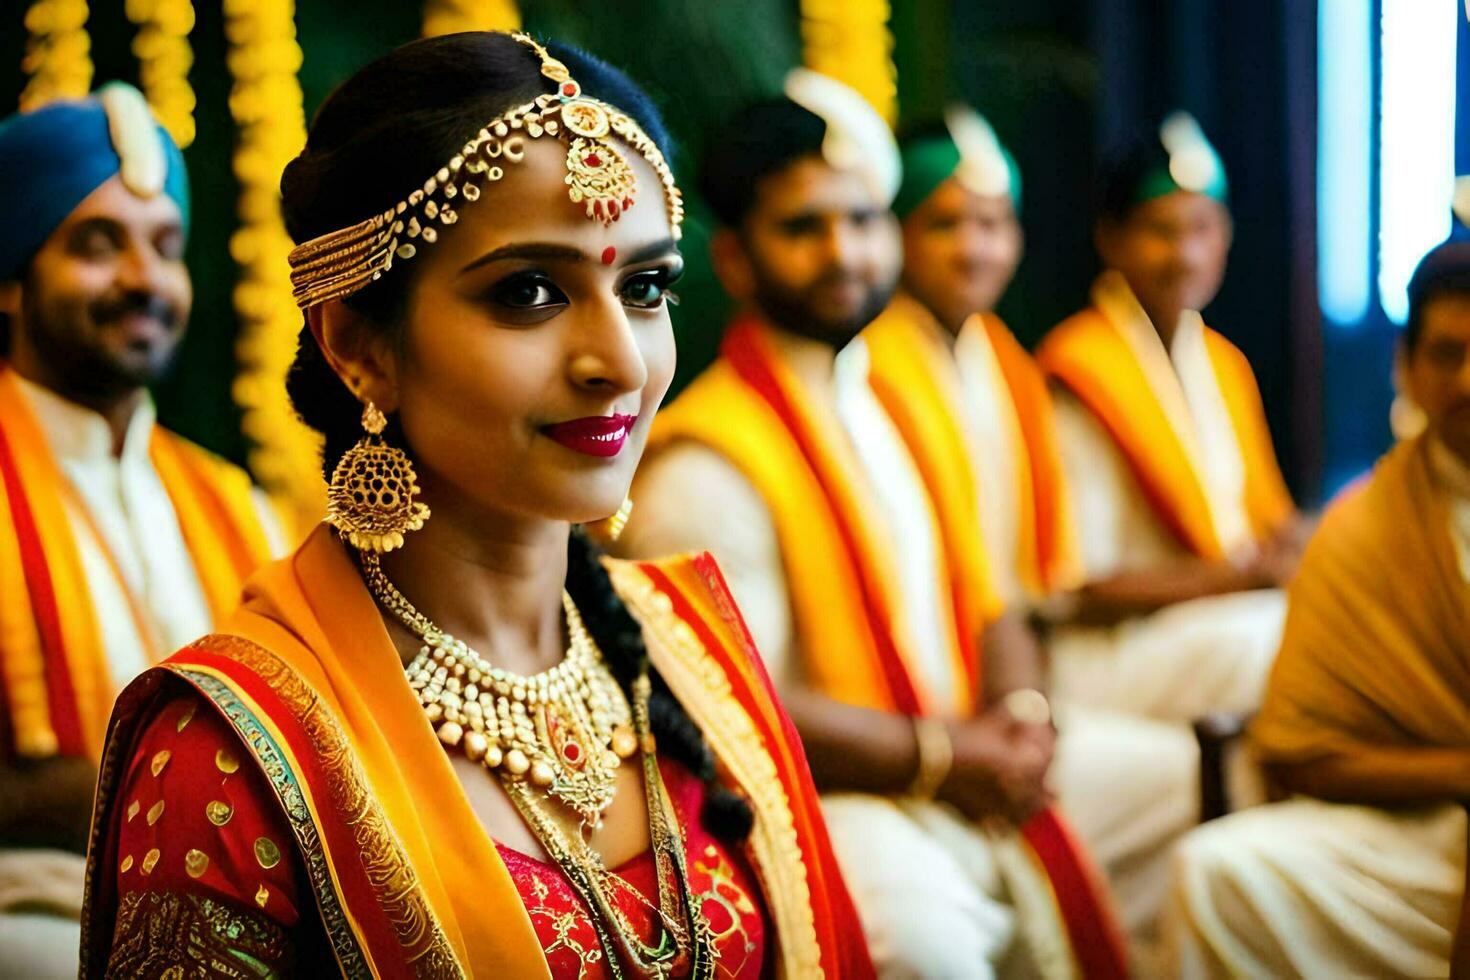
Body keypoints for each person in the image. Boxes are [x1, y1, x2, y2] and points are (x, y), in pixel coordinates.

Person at [79, 33, 872, 977]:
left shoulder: (692, 653)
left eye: (646, 287)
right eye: (531, 292)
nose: (618, 361)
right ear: (358, 347)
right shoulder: (227, 757)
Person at [622, 78, 1127, 977]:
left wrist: (1020, 715)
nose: (843, 252)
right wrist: (941, 757)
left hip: (959, 752)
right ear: (733, 260)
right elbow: (733, 709)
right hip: (834, 796)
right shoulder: (707, 463)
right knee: (926, 948)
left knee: (1178, 794)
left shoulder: (903, 404)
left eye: (862, 219)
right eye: (803, 227)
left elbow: (989, 596)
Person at [862, 107, 1200, 965]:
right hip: (924, 701)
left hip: (1014, 677)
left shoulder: (1003, 360)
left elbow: (1002, 585)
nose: (977, 249)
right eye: (947, 224)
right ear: (893, 232)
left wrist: (1023, 712)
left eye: (995, 223)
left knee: (1195, 776)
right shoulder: (871, 369)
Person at [0, 84, 286, 978]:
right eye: (96, 244)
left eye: (165, 247)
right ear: (10, 281)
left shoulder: (234, 504)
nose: (143, 279)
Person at [1166, 238, 1470, 978]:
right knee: (1216, 874)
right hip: (1425, 828)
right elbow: (1305, 754)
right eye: (1447, 354)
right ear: (1406, 367)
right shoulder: (1365, 526)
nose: (1469, 380)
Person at [1036, 113, 1304, 723]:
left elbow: (1268, 526)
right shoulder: (1080, 372)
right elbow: (1082, 587)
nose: (1186, 254)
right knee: (1293, 637)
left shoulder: (1222, 362)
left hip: (1214, 625)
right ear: (1111, 239)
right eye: (1161, 230)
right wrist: (1243, 581)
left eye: (1202, 228)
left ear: (1226, 235)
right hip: (1114, 654)